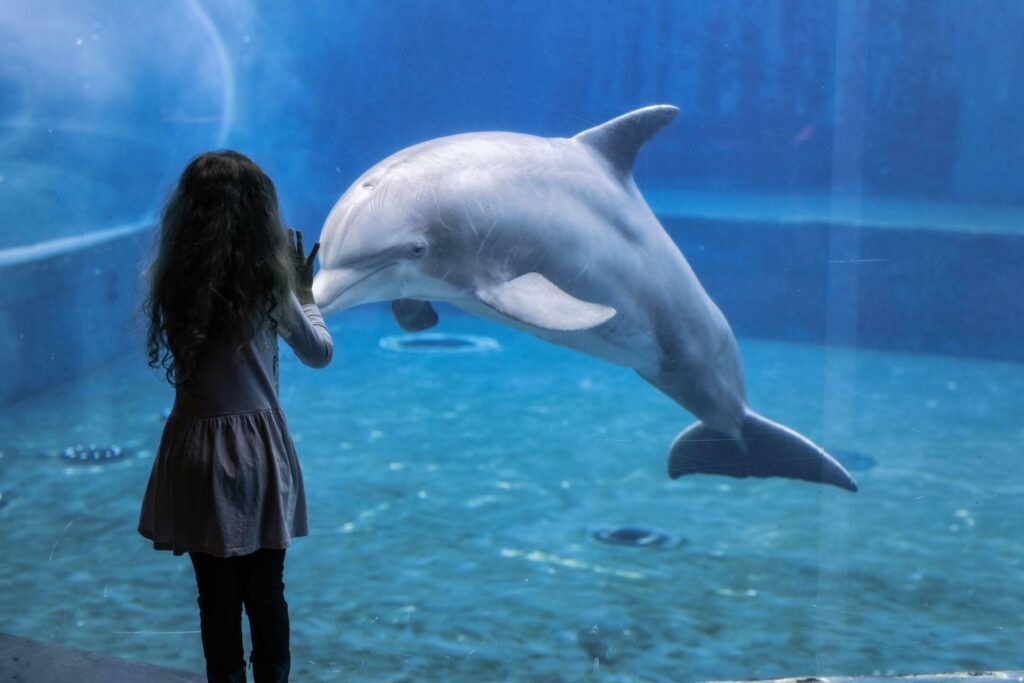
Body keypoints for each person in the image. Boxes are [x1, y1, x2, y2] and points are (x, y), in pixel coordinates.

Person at [138, 150, 333, 683]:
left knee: (215, 598)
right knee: (266, 592)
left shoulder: (172, 283)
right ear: (260, 216)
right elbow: (319, 353)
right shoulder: (268, 287)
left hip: (195, 455)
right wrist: (305, 294)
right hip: (256, 456)